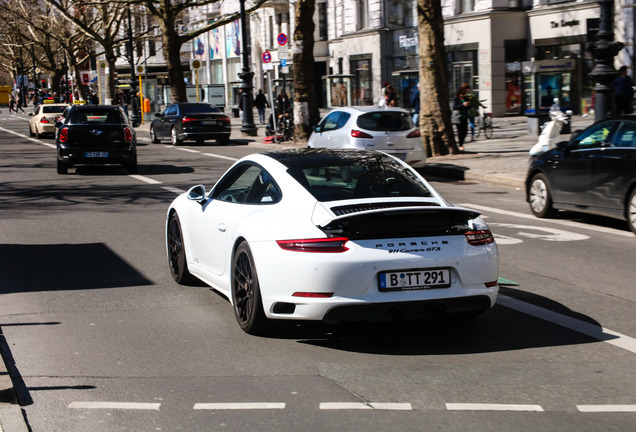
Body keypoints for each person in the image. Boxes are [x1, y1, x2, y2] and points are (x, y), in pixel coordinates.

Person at [453, 86, 471, 152]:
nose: (463, 95)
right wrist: (462, 105)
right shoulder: (456, 99)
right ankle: (461, 145)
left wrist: (468, 105)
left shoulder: (466, 98)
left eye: (464, 94)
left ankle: (461, 142)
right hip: (458, 117)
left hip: (465, 117)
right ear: (459, 93)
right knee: (460, 132)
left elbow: (469, 107)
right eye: (462, 94)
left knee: (465, 131)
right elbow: (454, 107)